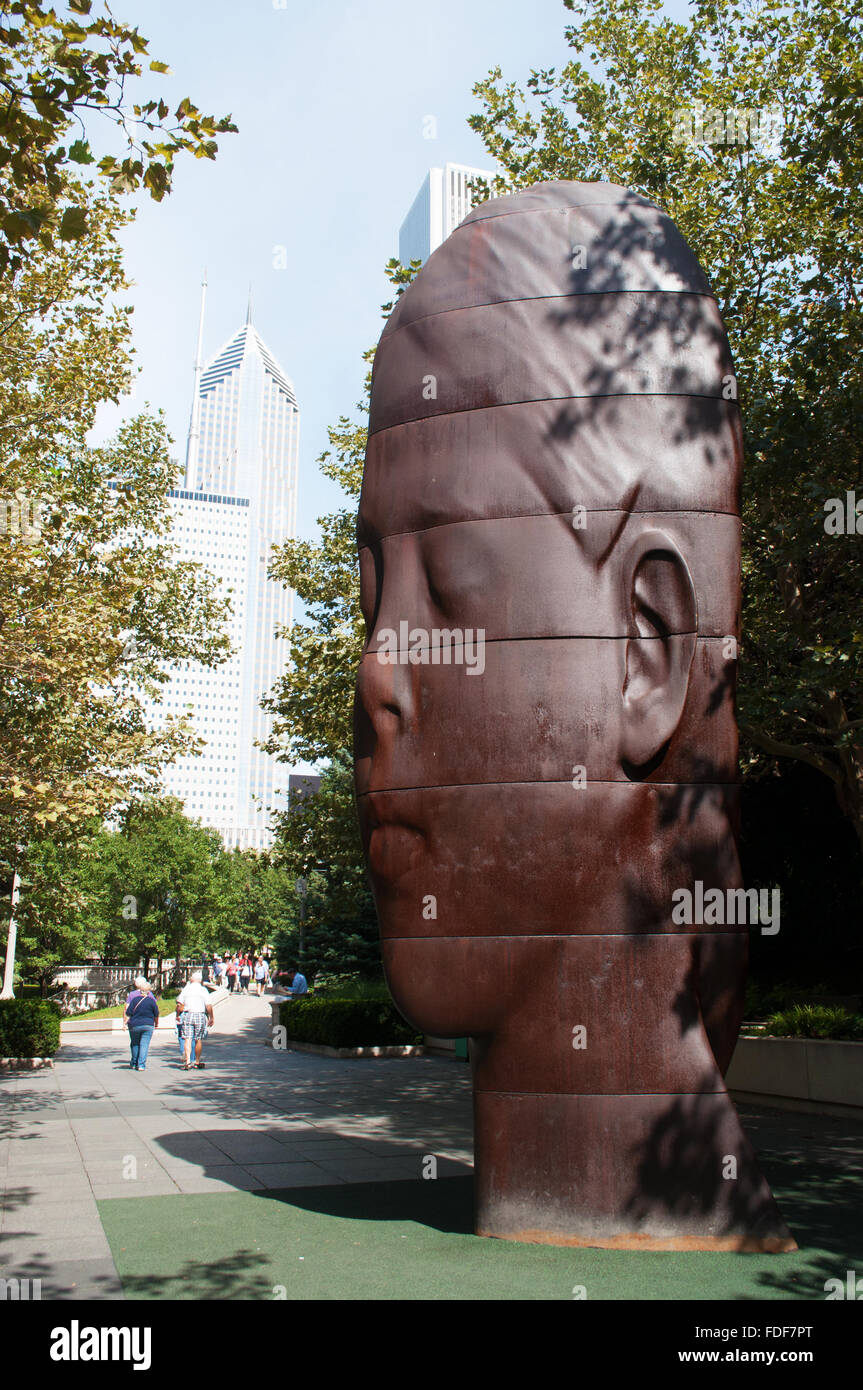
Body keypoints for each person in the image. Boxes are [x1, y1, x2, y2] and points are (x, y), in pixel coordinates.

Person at [176, 969, 215, 1070]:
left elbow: (179, 1003)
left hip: (188, 1014)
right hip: (199, 1014)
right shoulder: (203, 990)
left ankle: (188, 1061)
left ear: (191, 980)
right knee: (198, 1039)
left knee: (187, 1039)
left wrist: (178, 1014)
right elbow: (208, 1005)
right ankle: (197, 1061)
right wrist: (211, 1017)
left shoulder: (186, 989)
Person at [122, 976, 159, 1070]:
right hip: (148, 1024)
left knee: (135, 1043)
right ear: (149, 990)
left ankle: (134, 1063)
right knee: (144, 1044)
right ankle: (141, 1064)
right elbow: (156, 1013)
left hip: (135, 1024)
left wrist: (125, 1023)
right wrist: (156, 1023)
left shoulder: (134, 999)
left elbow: (128, 1012)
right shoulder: (151, 1000)